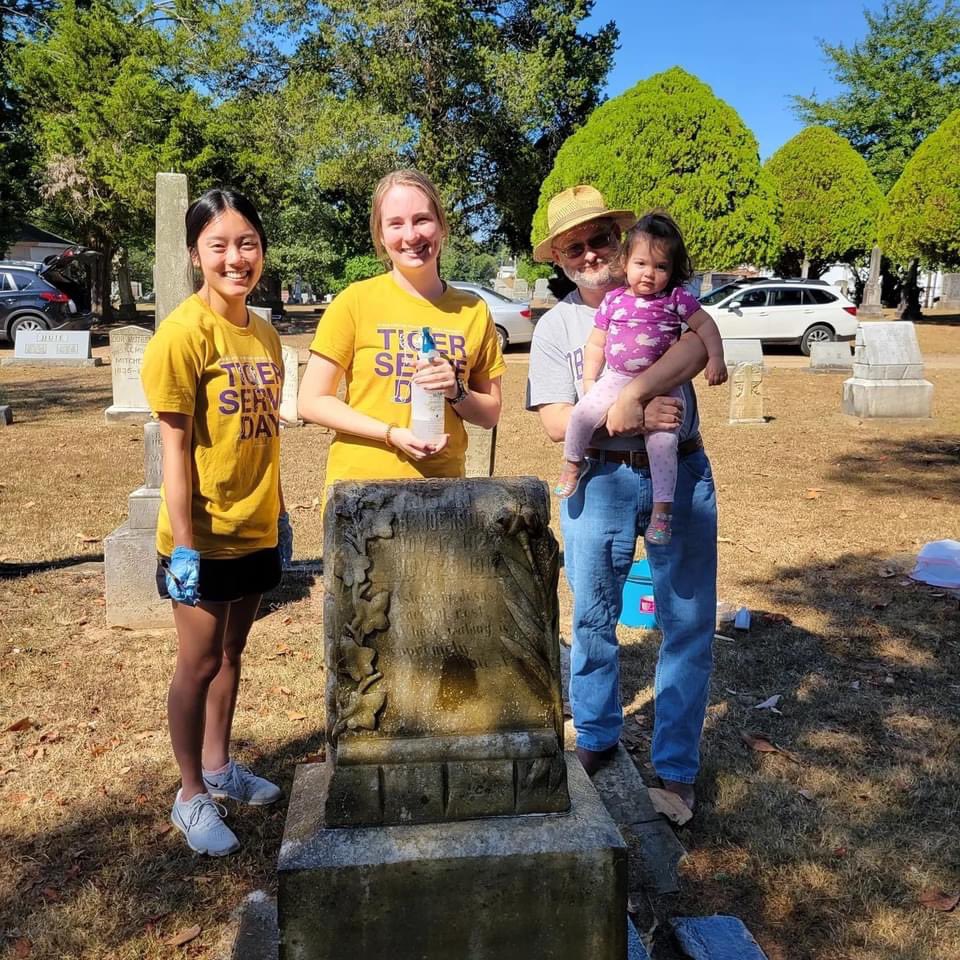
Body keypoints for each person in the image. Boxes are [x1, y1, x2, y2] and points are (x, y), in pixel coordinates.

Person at [526, 185, 717, 811]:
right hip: (598, 479)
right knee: (593, 618)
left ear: (622, 240)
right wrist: (636, 414)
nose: (590, 254)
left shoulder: (666, 299)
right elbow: (559, 422)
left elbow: (697, 346)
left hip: (677, 475)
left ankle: (676, 765)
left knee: (686, 624)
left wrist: (633, 394)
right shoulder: (559, 325)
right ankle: (599, 734)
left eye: (600, 239)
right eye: (573, 247)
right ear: (557, 258)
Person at [141, 188, 292, 856]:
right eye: (219, 245)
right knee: (197, 662)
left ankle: (220, 765)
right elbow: (174, 449)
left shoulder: (262, 333)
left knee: (233, 652)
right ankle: (189, 794)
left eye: (248, 242)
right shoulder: (181, 336)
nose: (236, 258)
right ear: (195, 253)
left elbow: (262, 434)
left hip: (256, 526)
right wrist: (184, 546)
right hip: (201, 538)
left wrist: (279, 512)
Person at [297, 169, 505, 491]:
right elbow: (311, 400)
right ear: (380, 235)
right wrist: (391, 433)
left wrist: (456, 390)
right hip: (361, 497)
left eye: (422, 219)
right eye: (395, 224)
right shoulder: (355, 301)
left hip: (442, 495)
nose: (410, 236)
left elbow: (489, 414)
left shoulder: (473, 311)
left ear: (441, 225)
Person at [555, 212, 727, 550]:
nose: (650, 274)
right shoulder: (614, 301)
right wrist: (590, 382)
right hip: (614, 378)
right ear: (627, 261)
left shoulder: (676, 299)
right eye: (642, 264)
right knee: (581, 414)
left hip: (665, 387)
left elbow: (705, 329)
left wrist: (717, 359)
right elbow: (597, 343)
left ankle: (663, 511)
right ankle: (572, 466)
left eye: (661, 267)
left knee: (664, 444)